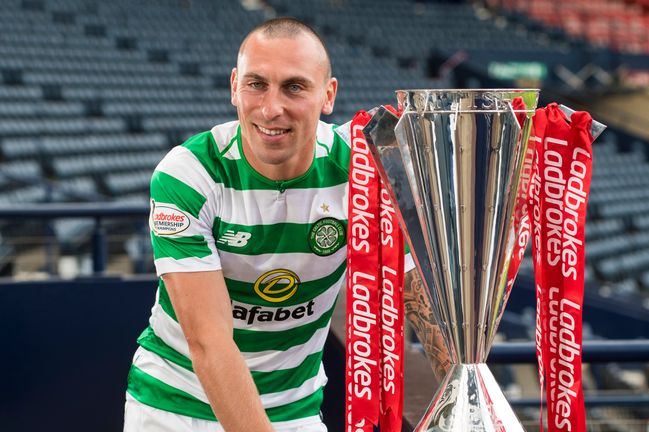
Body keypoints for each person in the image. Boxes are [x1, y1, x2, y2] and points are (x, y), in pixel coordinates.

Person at [124, 17, 450, 432]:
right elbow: (209, 341)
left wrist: (467, 391)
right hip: (174, 409)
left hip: (294, 410)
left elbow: (416, 293)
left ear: (328, 95)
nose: (271, 108)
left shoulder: (365, 169)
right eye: (256, 84)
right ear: (233, 86)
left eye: (294, 87)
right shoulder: (190, 173)